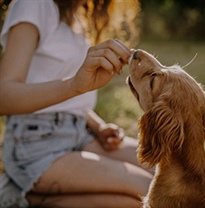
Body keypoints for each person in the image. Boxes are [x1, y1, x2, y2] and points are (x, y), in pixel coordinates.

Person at [0, 0, 153, 207]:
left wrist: (97, 126)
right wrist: (74, 85)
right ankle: (19, 193)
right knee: (150, 190)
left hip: (80, 134)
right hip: (35, 144)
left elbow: (65, 101)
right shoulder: (33, 4)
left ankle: (26, 197)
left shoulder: (77, 16)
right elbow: (4, 96)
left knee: (170, 171)